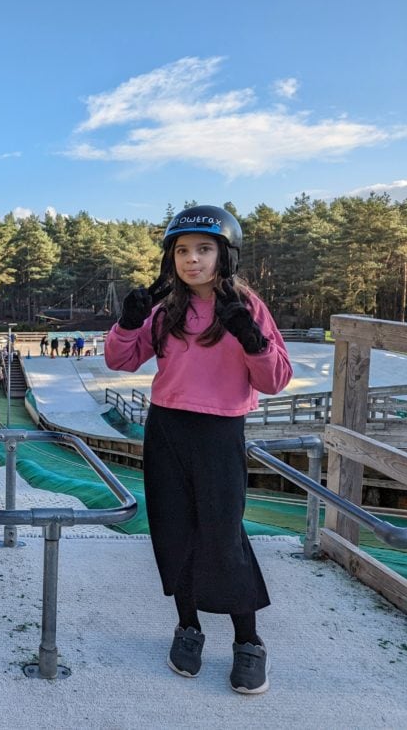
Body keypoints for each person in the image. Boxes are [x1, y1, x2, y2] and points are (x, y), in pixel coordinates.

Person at [103, 205, 292, 695]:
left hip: (219, 432)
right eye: (182, 251)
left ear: (224, 255)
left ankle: (248, 641)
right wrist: (128, 321)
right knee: (173, 532)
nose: (192, 260)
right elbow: (121, 359)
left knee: (222, 535)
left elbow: (274, 380)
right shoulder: (167, 308)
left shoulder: (248, 307)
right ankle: (188, 626)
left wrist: (252, 339)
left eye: (204, 250)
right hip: (166, 429)